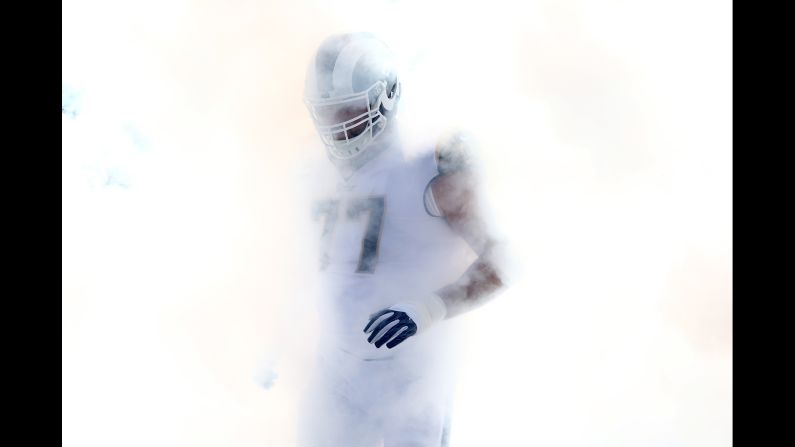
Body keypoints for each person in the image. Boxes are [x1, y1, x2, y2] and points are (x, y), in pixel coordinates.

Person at [299, 32, 507, 446]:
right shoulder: (315, 173)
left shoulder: (429, 164)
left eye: (349, 108)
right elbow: (303, 272)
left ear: (386, 96)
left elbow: (503, 261)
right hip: (335, 374)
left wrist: (427, 308)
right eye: (329, 111)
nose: (338, 122)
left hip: (409, 381)